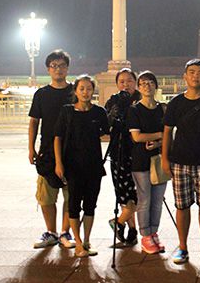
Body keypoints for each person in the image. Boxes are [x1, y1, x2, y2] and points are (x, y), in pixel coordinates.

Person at [162, 59, 200, 264]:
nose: (195, 76)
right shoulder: (176, 103)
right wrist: (165, 159)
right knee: (182, 206)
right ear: (185, 76)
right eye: (191, 72)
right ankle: (182, 248)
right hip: (180, 162)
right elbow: (167, 132)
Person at [54, 75, 109, 257]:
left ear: (93, 91)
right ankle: (77, 242)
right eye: (82, 88)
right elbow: (58, 137)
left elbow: (107, 132)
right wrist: (59, 163)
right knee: (74, 204)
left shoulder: (99, 112)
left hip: (93, 165)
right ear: (76, 91)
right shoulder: (67, 111)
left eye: (89, 88)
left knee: (91, 204)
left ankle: (86, 240)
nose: (85, 92)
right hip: (72, 165)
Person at [28, 49, 75, 249]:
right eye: (54, 66)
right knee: (46, 196)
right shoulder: (42, 94)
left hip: (72, 150)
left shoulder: (75, 92)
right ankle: (51, 232)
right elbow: (34, 122)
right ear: (48, 69)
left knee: (71, 195)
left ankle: (65, 232)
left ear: (67, 68)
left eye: (62, 65)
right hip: (47, 150)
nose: (58, 69)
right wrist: (31, 148)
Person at [126, 71, 167, 255]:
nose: (147, 86)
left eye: (150, 82)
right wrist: (159, 135)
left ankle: (153, 232)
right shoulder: (135, 110)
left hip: (159, 160)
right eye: (143, 83)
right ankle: (145, 236)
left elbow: (170, 134)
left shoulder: (162, 109)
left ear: (156, 86)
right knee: (145, 200)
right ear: (138, 87)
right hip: (141, 161)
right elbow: (136, 137)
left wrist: (158, 142)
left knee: (157, 201)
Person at [105, 68, 141, 246]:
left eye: (129, 81)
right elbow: (106, 125)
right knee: (123, 194)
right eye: (122, 81)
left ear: (136, 82)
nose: (126, 84)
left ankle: (118, 222)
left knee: (137, 194)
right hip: (118, 152)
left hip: (138, 153)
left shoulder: (141, 100)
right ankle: (132, 230)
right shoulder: (113, 101)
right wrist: (113, 113)